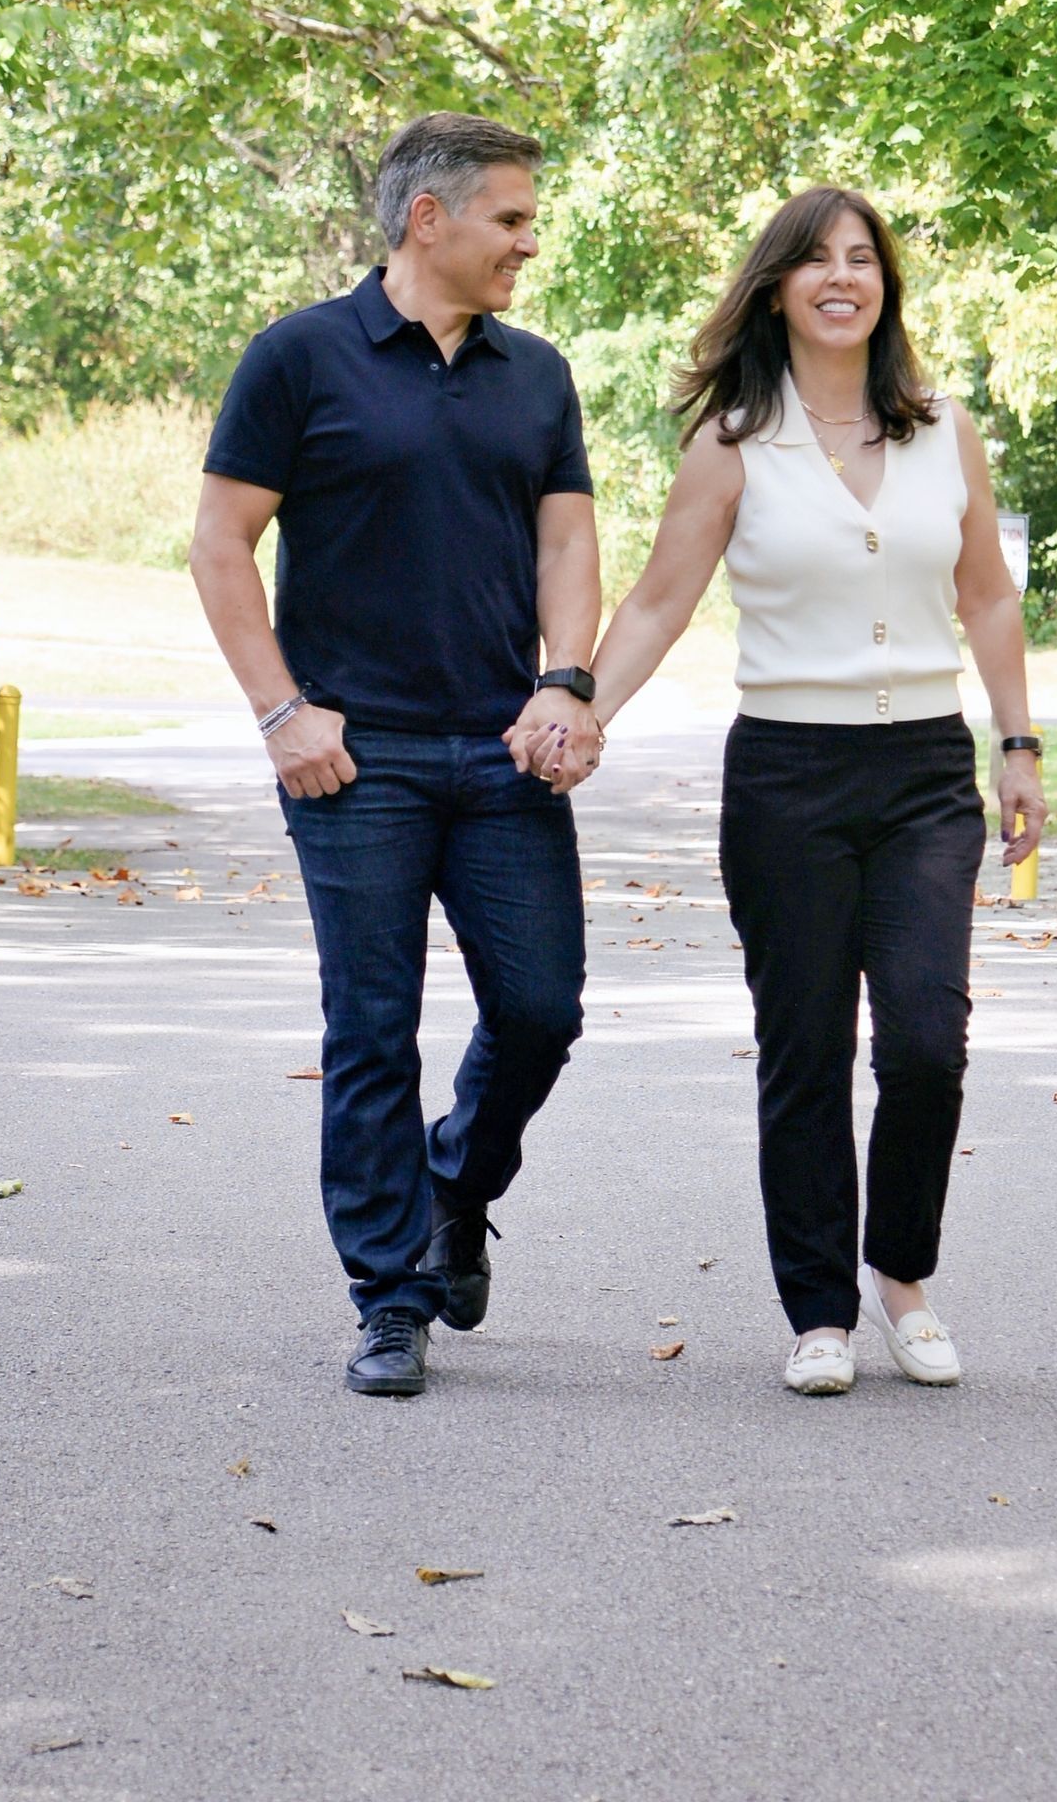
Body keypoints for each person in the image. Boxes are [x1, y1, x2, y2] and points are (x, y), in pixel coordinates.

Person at [564, 185, 1046, 1395]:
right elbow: (663, 600)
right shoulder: (734, 440)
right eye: (817, 260)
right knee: (806, 1048)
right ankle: (818, 1312)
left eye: (863, 259)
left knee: (929, 1044)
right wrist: (581, 706)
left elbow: (987, 594)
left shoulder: (943, 427)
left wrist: (1019, 742)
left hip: (928, 771)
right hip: (788, 774)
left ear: (885, 286)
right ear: (776, 286)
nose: (845, 277)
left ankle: (903, 1277)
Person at [190, 112, 604, 1400]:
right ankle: (390, 1296)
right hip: (351, 764)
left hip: (500, 756)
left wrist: (564, 684)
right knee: (372, 1027)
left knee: (540, 1009)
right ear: (430, 219)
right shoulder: (299, 358)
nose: (529, 243)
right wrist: (282, 713)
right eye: (512, 220)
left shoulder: (535, 374)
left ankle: (453, 1185)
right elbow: (220, 545)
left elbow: (569, 548)